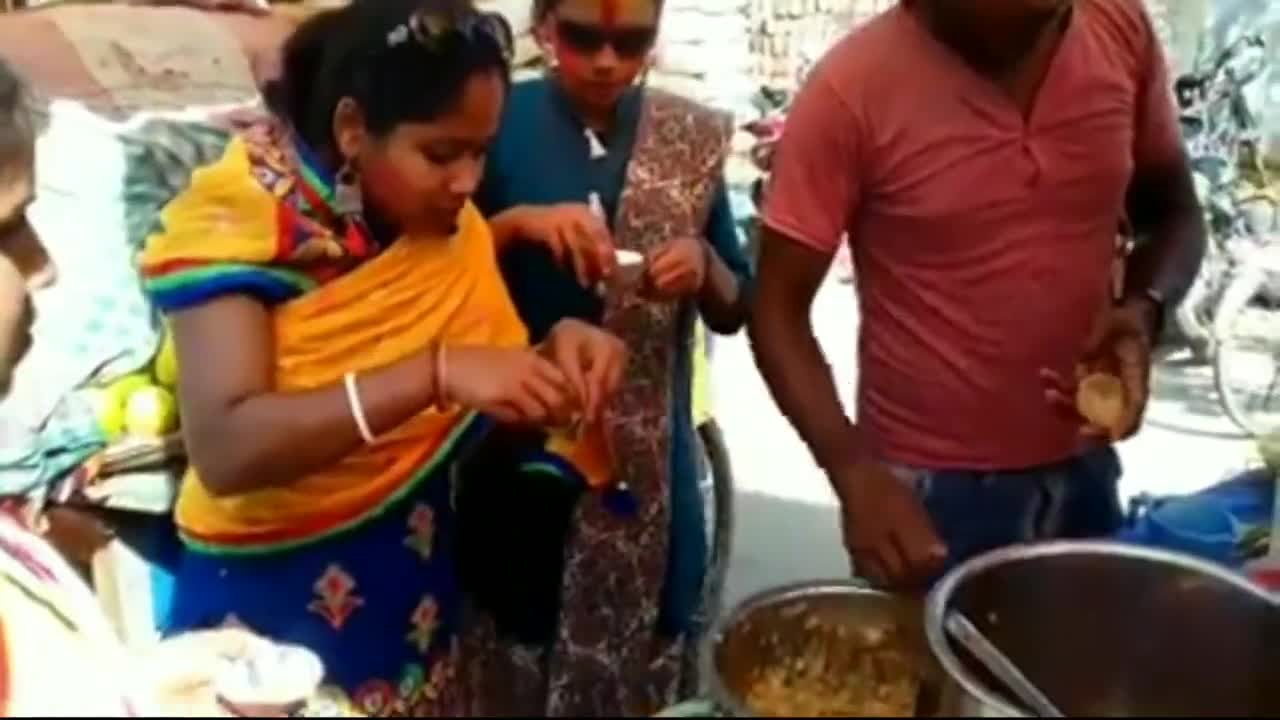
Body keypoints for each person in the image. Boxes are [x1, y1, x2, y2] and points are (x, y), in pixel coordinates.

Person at [143, 0, 627, 715]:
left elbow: (469, 370)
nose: (467, 181)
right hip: (267, 625)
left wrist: (548, 360)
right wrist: (434, 371)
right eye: (441, 153)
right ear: (351, 131)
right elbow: (227, 447)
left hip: (416, 596)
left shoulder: (435, 225)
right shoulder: (241, 228)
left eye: (480, 152)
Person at [750, 0, 1206, 589]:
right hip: (927, 494)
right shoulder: (851, 89)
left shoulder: (1118, 29)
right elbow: (777, 309)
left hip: (1085, 469)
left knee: (1071, 677)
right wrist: (853, 470)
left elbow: (1174, 214)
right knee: (930, 680)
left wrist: (1142, 310)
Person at [460, 0, 753, 714]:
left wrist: (704, 261)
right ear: (544, 26)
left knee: (644, 657)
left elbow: (735, 305)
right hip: (519, 454)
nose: (606, 62)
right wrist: (515, 229)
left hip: (648, 475)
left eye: (632, 42)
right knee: (517, 643)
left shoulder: (685, 139)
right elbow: (430, 274)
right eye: (583, 38)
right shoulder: (492, 123)